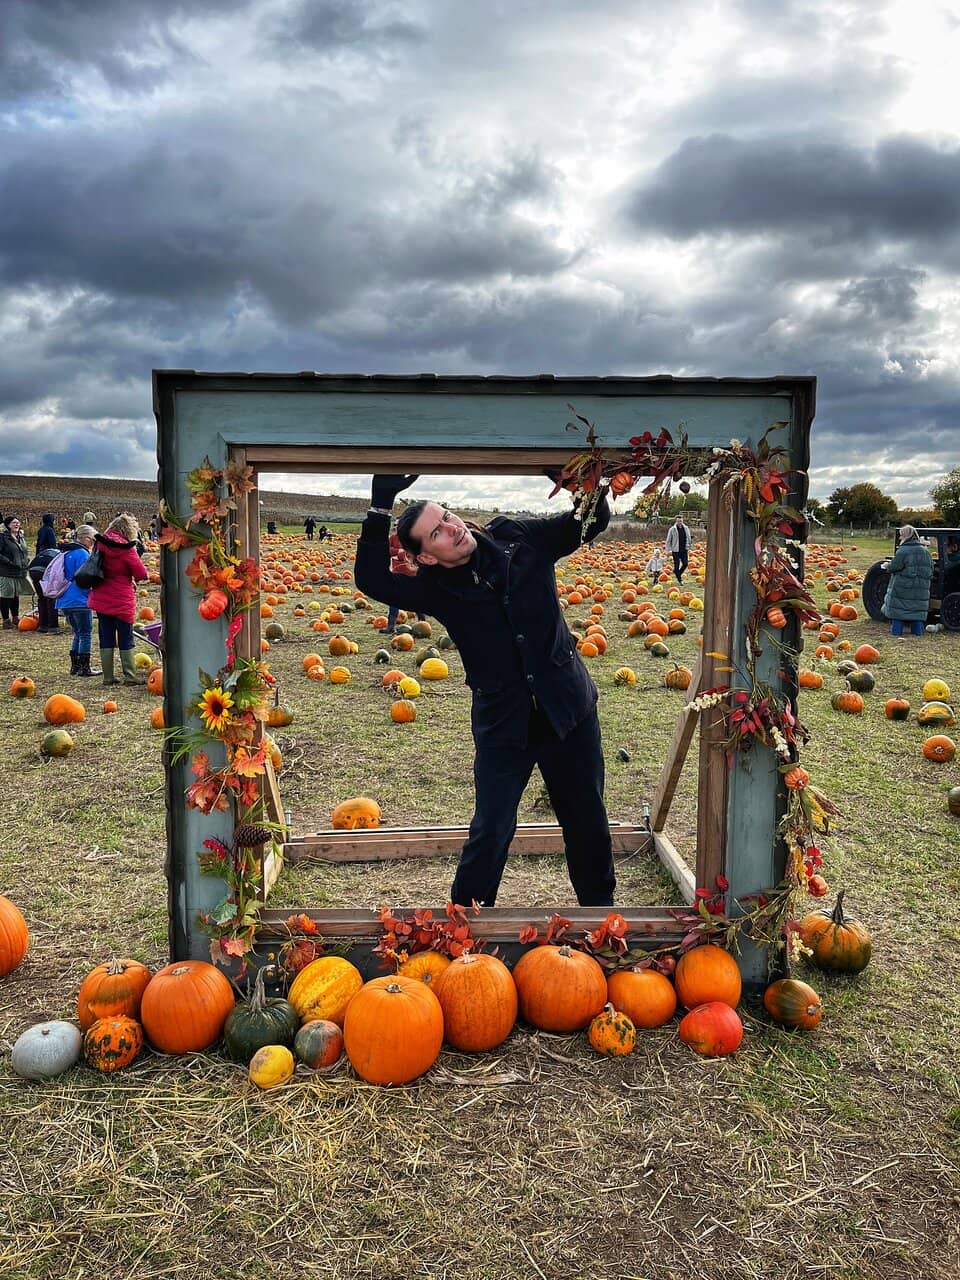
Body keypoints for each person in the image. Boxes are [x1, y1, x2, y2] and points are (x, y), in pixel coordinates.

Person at [355, 475, 616, 910]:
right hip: (504, 721)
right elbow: (370, 579)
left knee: (586, 817)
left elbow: (588, 522)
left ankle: (600, 912)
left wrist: (580, 482)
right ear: (426, 557)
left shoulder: (520, 538)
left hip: (567, 708)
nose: (452, 527)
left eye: (447, 516)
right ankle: (467, 922)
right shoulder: (434, 589)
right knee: (491, 827)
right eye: (436, 532)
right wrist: (380, 506)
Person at [86, 513, 149, 684]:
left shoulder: (100, 544)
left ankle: (108, 676)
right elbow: (141, 573)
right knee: (125, 637)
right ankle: (130, 675)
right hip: (122, 599)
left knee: (106, 635)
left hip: (101, 596)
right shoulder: (127, 549)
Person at [56, 525, 100, 676]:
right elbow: (87, 577)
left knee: (77, 633)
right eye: (93, 539)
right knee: (86, 633)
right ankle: (84, 667)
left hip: (65, 599)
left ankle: (75, 666)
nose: (94, 543)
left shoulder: (67, 552)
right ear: (86, 539)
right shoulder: (83, 554)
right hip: (80, 599)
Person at [881, 525, 933, 637]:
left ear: (906, 536)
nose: (900, 538)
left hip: (903, 587)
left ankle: (897, 632)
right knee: (917, 611)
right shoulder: (926, 552)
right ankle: (918, 632)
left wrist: (886, 565)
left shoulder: (903, 551)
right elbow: (931, 569)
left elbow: (894, 566)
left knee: (898, 611)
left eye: (901, 536)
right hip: (921, 588)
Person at [378, 531, 426, 634]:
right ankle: (391, 626)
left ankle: (422, 622)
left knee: (415, 597)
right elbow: (387, 550)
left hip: (411, 573)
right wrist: (399, 551)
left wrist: (401, 554)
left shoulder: (412, 537)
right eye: (396, 525)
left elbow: (415, 552)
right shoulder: (393, 538)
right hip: (397, 573)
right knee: (394, 598)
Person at [0, 516, 33, 629]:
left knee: (15, 595)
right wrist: (9, 562)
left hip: (19, 571)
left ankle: (15, 617)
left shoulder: (20, 536)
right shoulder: (3, 537)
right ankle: (6, 620)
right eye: (14, 523)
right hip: (6, 572)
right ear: (8, 525)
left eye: (18, 522)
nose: (17, 524)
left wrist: (26, 561)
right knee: (6, 595)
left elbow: (24, 551)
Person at [28, 543, 62, 633]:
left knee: (42, 598)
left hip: (33, 571)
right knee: (50, 598)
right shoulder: (61, 555)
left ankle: (43, 625)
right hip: (44, 572)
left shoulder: (46, 552)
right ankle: (53, 626)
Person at [664, 514, 693, 584]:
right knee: (676, 565)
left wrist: (689, 544)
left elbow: (688, 537)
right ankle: (680, 580)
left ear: (682, 521)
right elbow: (668, 540)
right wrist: (667, 550)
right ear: (676, 521)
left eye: (681, 521)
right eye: (678, 521)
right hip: (676, 550)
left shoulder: (686, 528)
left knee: (685, 564)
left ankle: (678, 573)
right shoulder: (672, 529)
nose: (680, 522)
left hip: (684, 549)